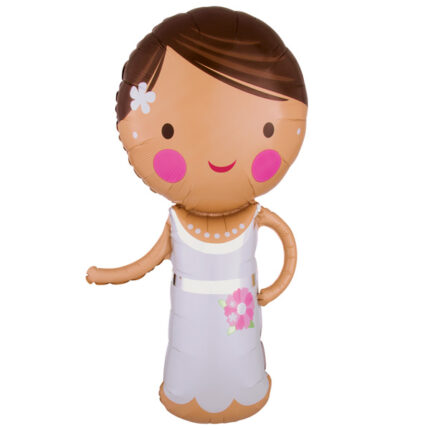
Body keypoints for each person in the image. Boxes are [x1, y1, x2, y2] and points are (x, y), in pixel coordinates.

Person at [87, 6, 307, 423]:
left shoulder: (254, 216)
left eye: (265, 129)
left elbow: (288, 248)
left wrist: (267, 293)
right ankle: (184, 394)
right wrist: (107, 274)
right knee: (188, 349)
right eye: (167, 131)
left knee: (238, 354)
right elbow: (146, 262)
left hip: (239, 322)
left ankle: (245, 391)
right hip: (194, 318)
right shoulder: (181, 220)